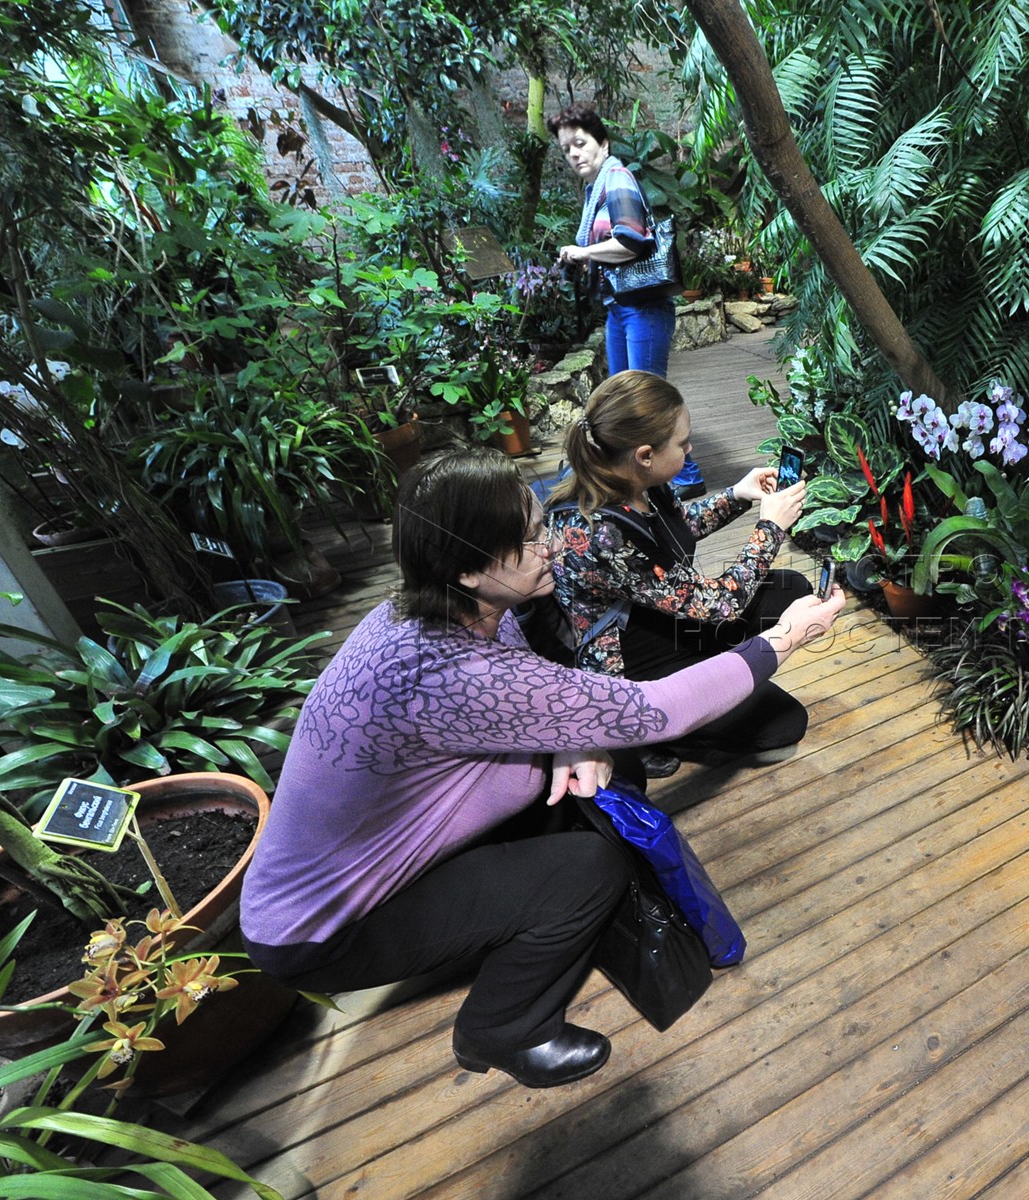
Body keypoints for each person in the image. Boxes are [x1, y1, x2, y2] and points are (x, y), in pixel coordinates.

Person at [239, 448, 844, 1089]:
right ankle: (504, 1027)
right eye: (528, 541)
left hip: (378, 854)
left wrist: (567, 741)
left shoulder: (438, 609)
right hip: (325, 928)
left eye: (540, 525)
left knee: (606, 772)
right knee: (589, 871)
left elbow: (529, 684)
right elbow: (657, 709)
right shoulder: (447, 670)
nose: (549, 546)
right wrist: (783, 639)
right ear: (468, 568)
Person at [546, 370, 814, 767]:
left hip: (664, 616)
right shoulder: (601, 533)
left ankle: (711, 667)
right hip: (633, 659)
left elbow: (677, 527)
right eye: (682, 442)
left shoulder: (631, 477)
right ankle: (649, 734)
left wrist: (739, 494)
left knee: (792, 590)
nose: (690, 448)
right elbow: (720, 605)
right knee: (782, 723)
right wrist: (771, 528)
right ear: (645, 454)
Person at [547, 101, 704, 498]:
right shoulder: (595, 189)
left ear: (602, 142)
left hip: (643, 307)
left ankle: (686, 477)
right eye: (566, 149)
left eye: (580, 143)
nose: (574, 154)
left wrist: (584, 251)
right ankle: (630, 476)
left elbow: (633, 240)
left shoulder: (616, 179)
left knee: (648, 401)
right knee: (622, 400)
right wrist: (584, 256)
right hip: (620, 307)